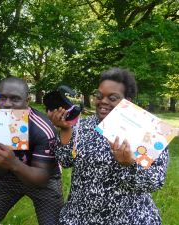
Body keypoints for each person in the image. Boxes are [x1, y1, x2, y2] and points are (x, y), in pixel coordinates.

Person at [49, 67, 169, 224]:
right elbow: (65, 161)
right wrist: (65, 129)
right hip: (80, 217)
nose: (103, 101)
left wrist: (130, 165)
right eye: (100, 96)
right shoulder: (81, 125)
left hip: (129, 218)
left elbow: (156, 181)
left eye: (112, 98)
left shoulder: (148, 132)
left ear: (128, 101)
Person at [0, 77, 64, 225]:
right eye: (2, 98)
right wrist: (1, 156)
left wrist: (14, 163)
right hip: (8, 176)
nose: (6, 104)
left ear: (27, 102)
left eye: (15, 99)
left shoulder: (43, 129)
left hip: (42, 176)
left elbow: (42, 180)